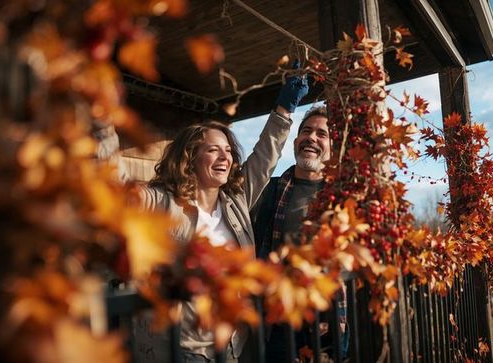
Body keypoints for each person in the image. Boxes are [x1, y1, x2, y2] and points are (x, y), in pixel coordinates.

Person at [96, 68, 308, 362]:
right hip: (177, 348)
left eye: (228, 151)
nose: (225, 157)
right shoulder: (159, 202)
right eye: (213, 150)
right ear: (190, 157)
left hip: (232, 346)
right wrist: (102, 124)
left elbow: (264, 159)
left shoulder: (235, 201)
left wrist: (285, 109)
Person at [251, 105, 348, 361]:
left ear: (333, 147)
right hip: (278, 320)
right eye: (306, 131)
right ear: (295, 141)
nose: (312, 138)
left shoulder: (344, 198)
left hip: (328, 317)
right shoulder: (269, 192)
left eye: (322, 134)